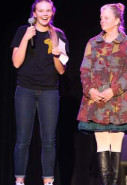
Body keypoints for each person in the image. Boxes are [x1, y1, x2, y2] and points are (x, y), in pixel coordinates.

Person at [76, 3, 127, 185]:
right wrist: (90, 91)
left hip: (119, 101)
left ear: (117, 21)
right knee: (102, 144)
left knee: (116, 145)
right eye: (101, 17)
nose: (102, 20)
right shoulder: (93, 43)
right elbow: (84, 70)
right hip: (97, 101)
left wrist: (113, 90)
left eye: (106, 18)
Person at [10, 0, 69, 185]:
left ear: (53, 12)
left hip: (49, 91)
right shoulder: (23, 31)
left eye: (48, 10)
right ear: (34, 13)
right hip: (25, 90)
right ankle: (19, 181)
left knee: (49, 140)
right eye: (40, 11)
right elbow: (16, 63)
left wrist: (57, 54)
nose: (45, 14)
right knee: (22, 139)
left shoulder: (58, 34)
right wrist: (26, 38)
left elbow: (61, 70)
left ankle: (48, 181)